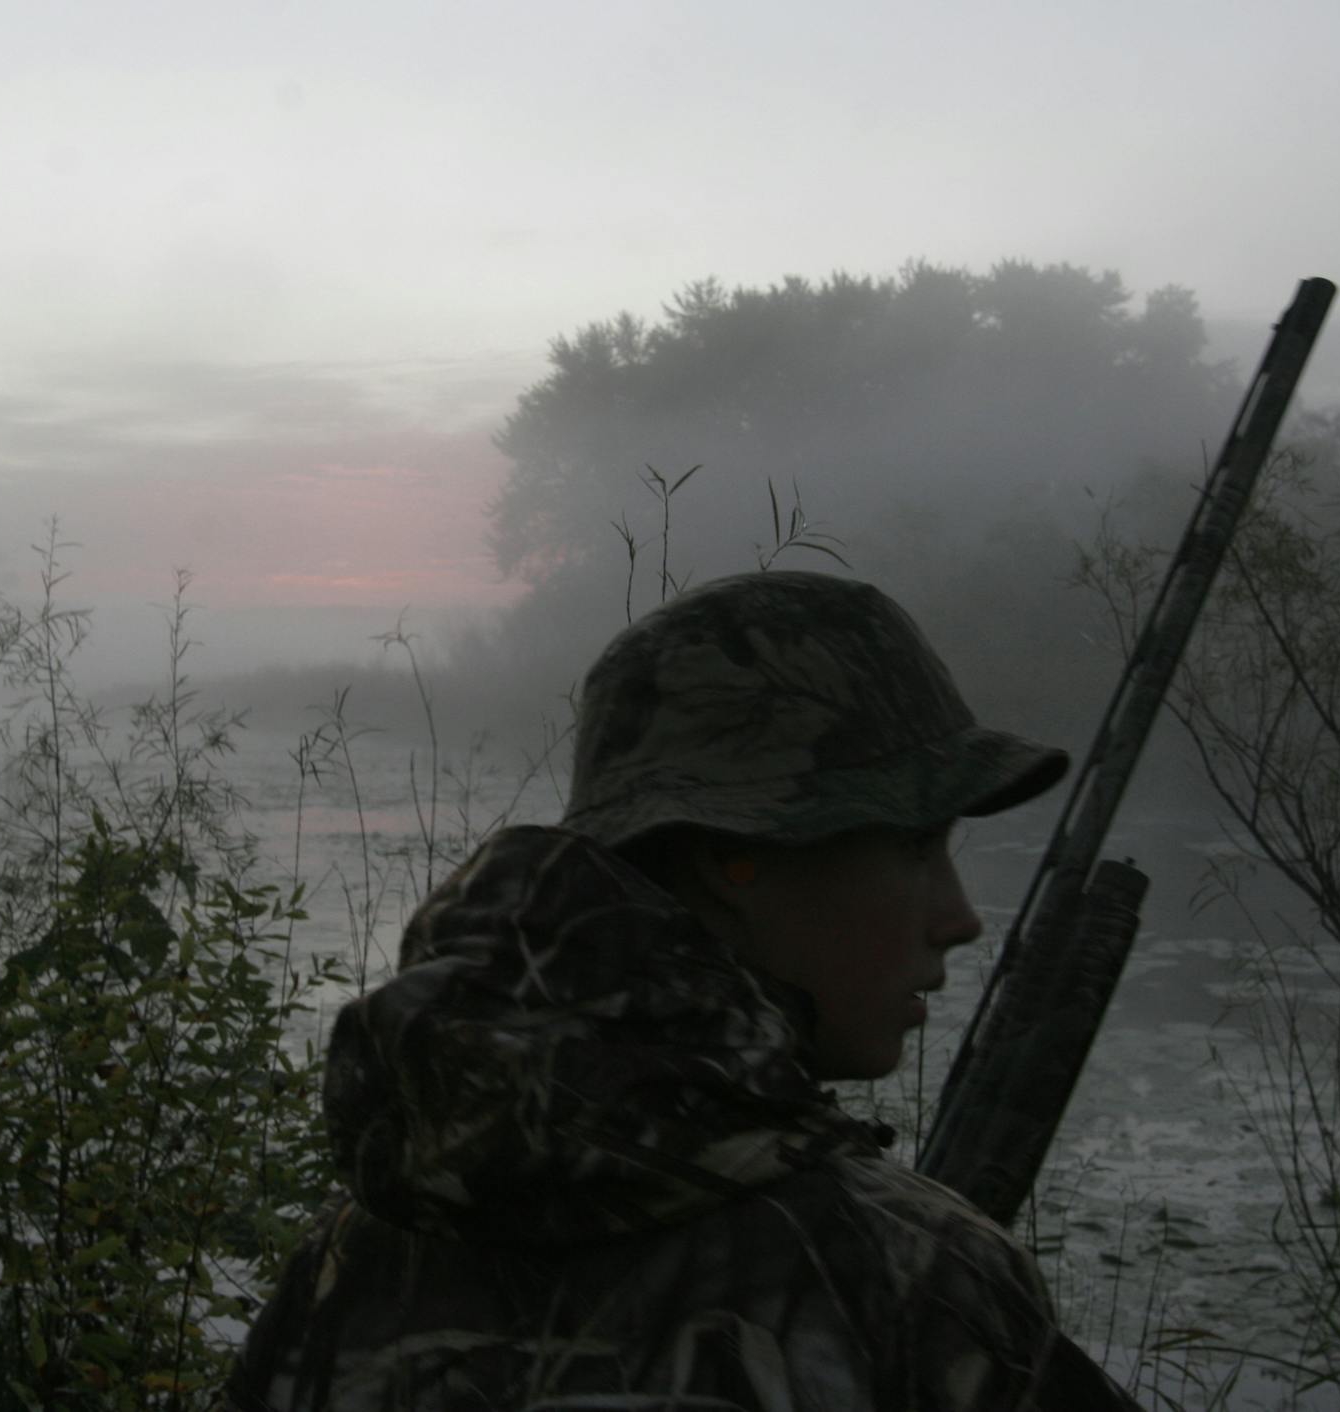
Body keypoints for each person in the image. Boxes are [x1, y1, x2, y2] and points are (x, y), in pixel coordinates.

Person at [226, 571, 1141, 1410]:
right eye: (913, 847)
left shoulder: (344, 1265)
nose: (960, 916)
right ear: (728, 859)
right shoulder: (924, 1288)